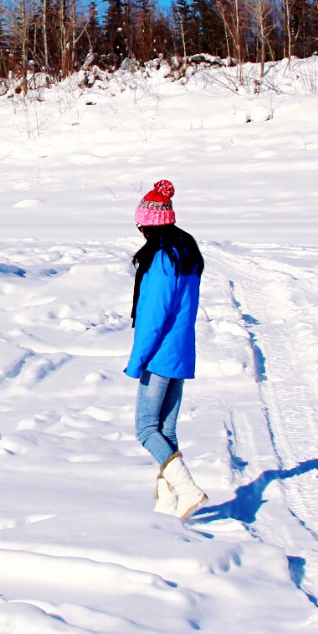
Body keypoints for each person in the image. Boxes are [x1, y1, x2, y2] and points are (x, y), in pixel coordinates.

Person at [125, 179, 208, 518]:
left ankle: (187, 490)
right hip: (180, 351)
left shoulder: (162, 262)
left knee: (146, 429)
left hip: (159, 354)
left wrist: (137, 360)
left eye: (141, 224)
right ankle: (168, 502)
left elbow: (152, 318)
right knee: (166, 430)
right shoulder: (185, 254)